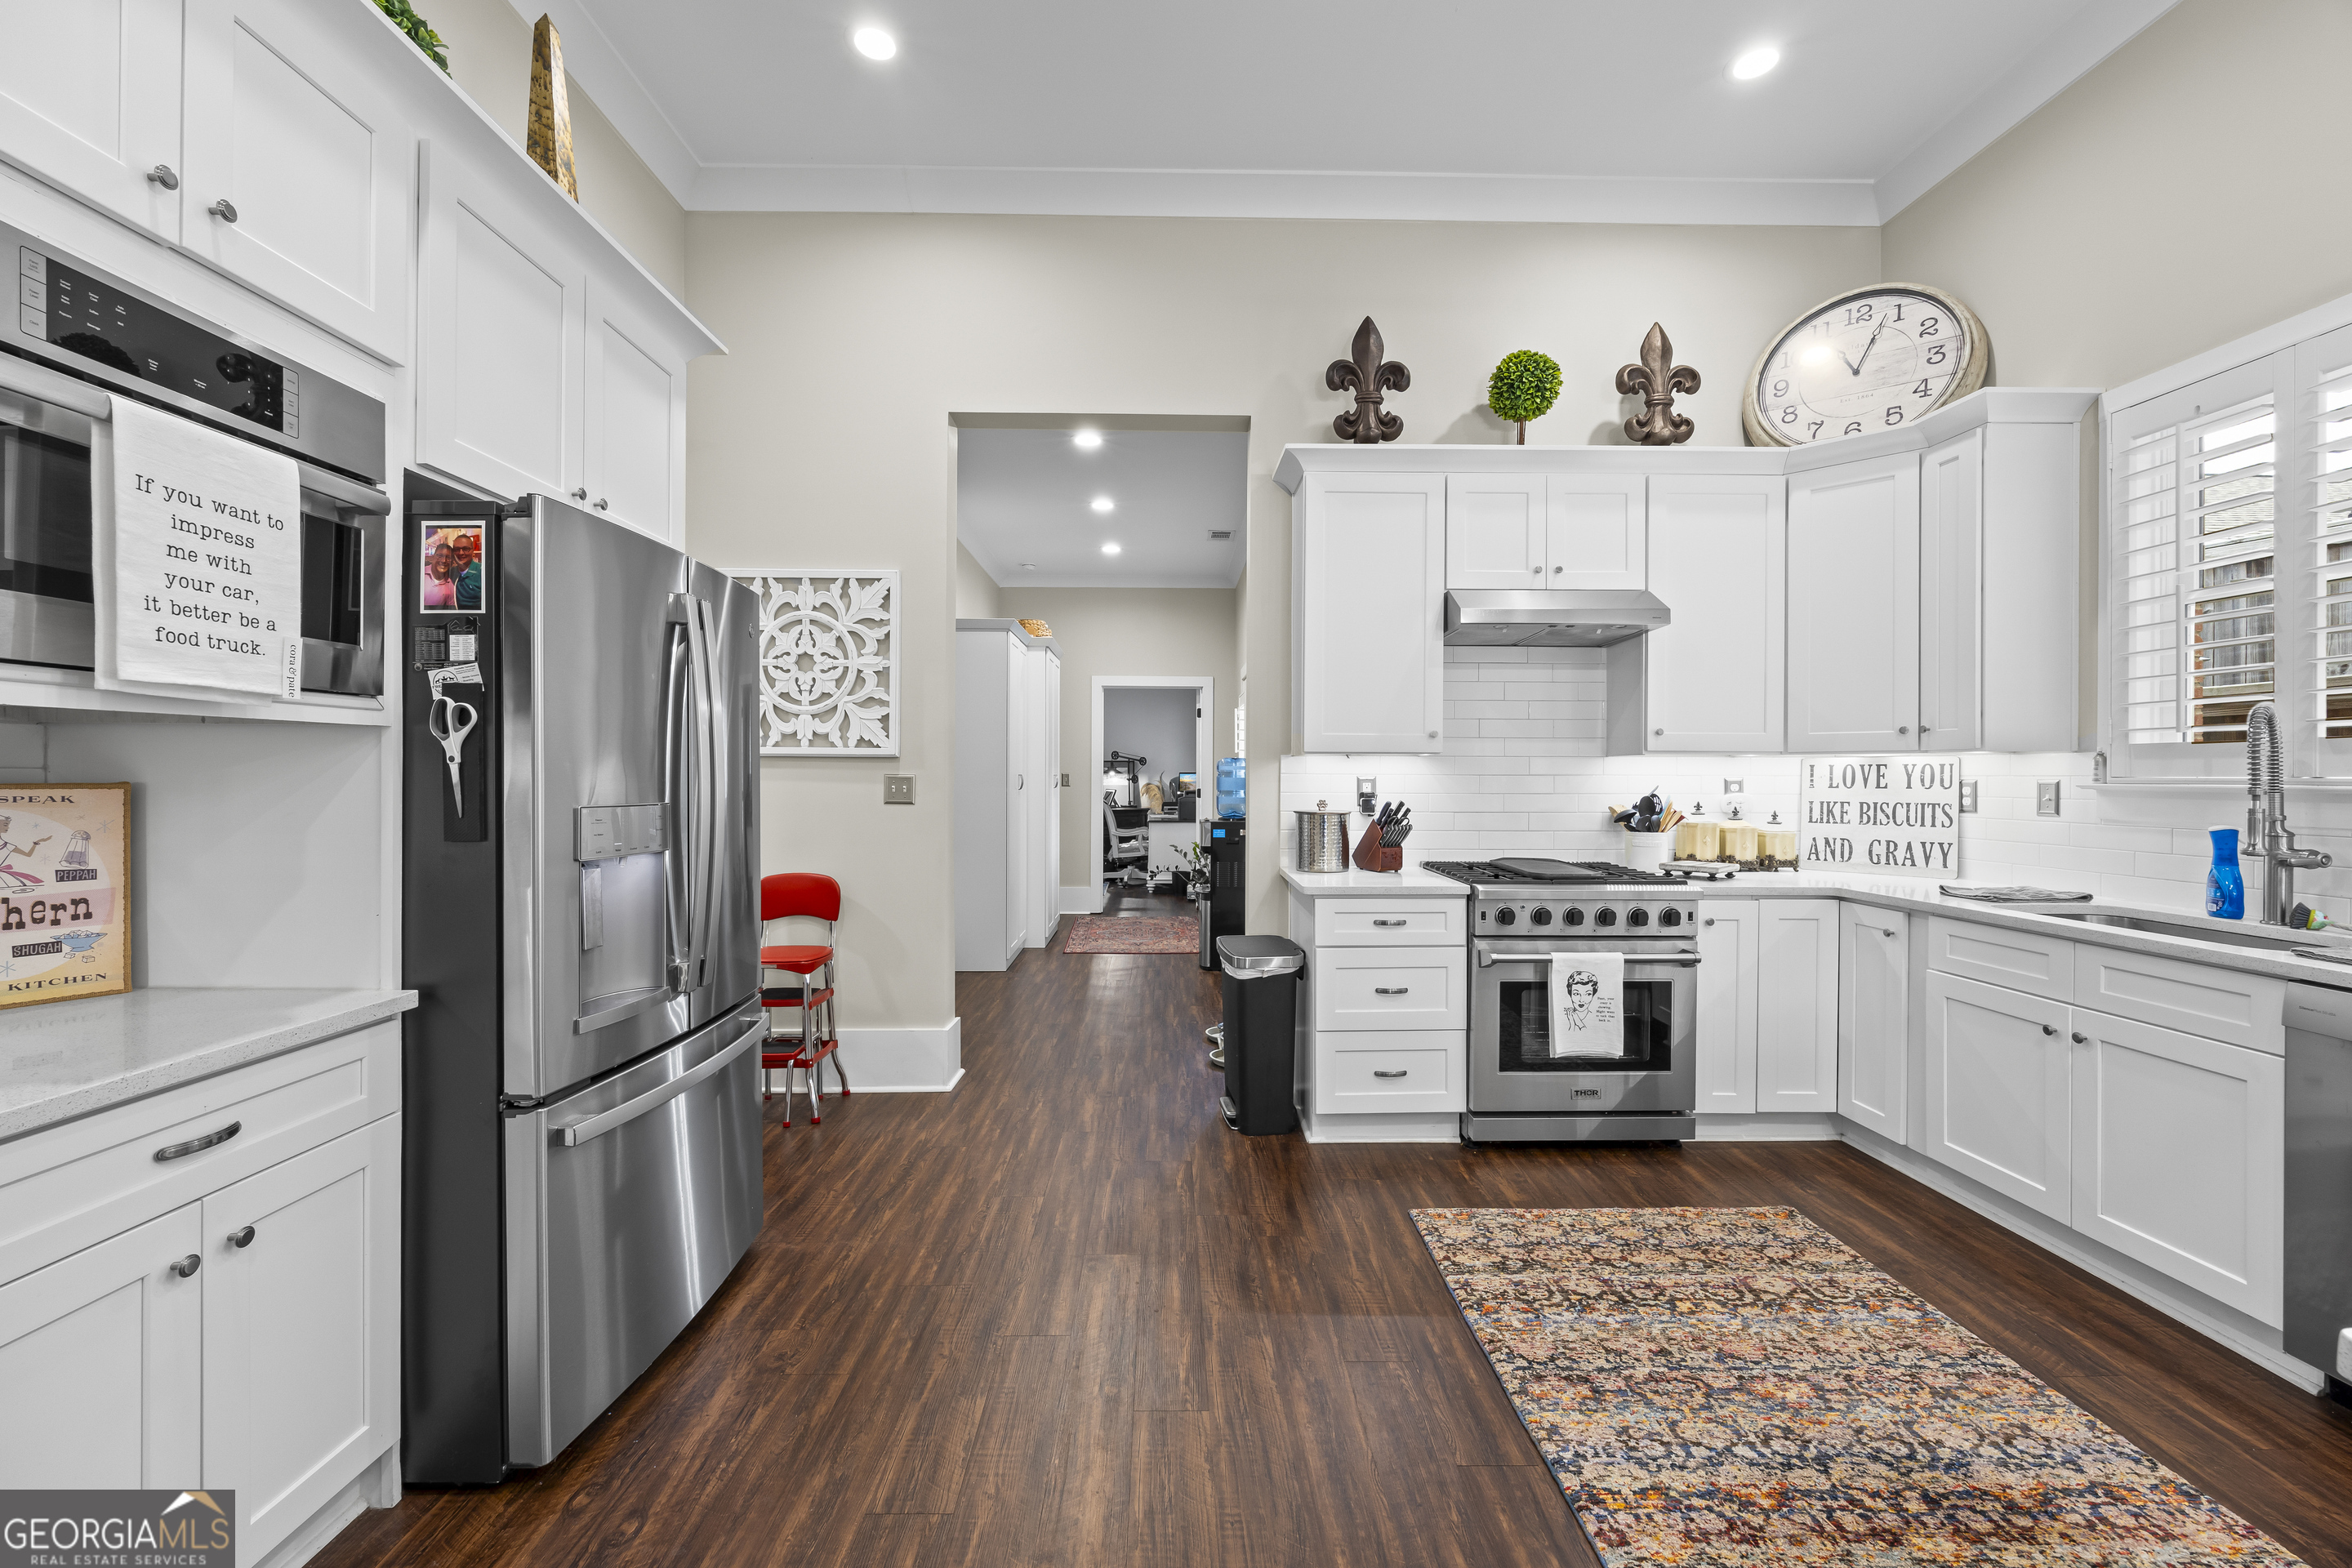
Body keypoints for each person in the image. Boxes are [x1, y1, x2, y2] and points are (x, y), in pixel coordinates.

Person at [0, 815, 51, 889]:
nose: (8, 827)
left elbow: (28, 854)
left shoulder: (7, 846)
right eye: (5, 825)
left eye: (8, 825)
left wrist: (36, 843)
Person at [421, 541, 457, 609]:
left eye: (448, 558)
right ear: (433, 557)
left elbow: (450, 611)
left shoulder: (451, 586)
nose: (444, 560)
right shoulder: (421, 574)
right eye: (440, 556)